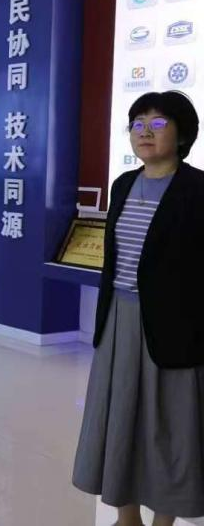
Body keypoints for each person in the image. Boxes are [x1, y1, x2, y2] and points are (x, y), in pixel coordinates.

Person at [74, 90, 204, 526]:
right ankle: (126, 516)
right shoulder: (124, 184)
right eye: (138, 123)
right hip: (119, 320)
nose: (146, 131)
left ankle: (164, 521)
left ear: (182, 134)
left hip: (175, 327)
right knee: (118, 419)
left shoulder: (197, 189)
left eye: (159, 123)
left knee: (171, 428)